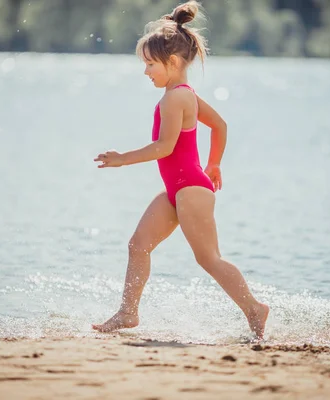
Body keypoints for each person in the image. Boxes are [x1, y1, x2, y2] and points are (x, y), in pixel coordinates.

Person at [92, 1, 269, 339]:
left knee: (209, 259)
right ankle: (128, 312)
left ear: (172, 62)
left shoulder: (176, 98)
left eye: (150, 65)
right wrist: (213, 162)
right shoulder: (184, 93)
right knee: (138, 244)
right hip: (181, 189)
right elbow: (220, 125)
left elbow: (164, 147)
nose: (146, 72)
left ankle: (254, 308)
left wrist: (121, 159)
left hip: (191, 189)